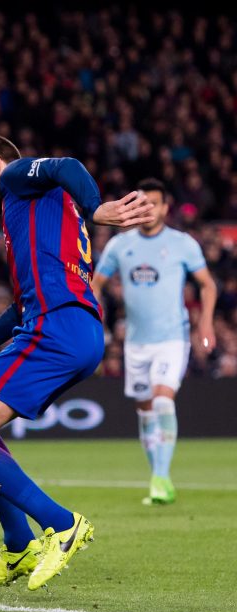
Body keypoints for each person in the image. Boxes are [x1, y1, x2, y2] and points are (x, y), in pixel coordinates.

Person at [0, 134, 156, 592]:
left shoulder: (14, 178)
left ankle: (62, 524)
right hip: (70, 328)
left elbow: (66, 165)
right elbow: (19, 308)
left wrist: (96, 208)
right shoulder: (34, 211)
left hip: (56, 328)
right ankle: (18, 545)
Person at [91, 178, 217, 506]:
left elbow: (207, 284)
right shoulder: (120, 245)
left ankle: (160, 478)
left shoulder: (182, 243)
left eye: (154, 204)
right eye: (142, 203)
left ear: (165, 207)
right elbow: (96, 284)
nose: (148, 210)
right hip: (136, 342)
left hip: (172, 338)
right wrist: (93, 318)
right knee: (146, 411)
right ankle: (159, 478)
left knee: (162, 400)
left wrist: (205, 322)